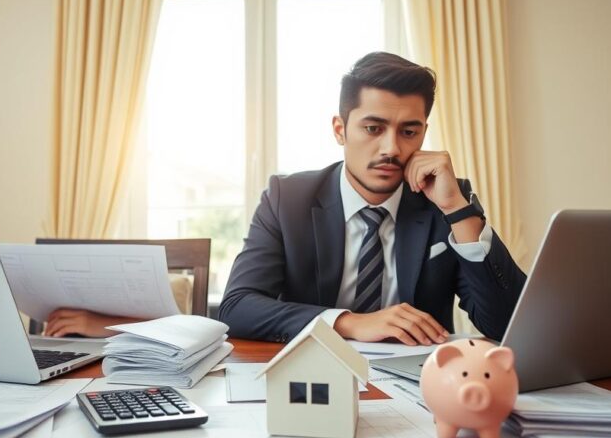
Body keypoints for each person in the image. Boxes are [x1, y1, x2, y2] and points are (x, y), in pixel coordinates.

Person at [218, 52, 526, 345]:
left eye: (408, 132)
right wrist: (350, 323)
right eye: (373, 128)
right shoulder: (288, 199)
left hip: (420, 386)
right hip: (313, 378)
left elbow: (509, 324)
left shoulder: (445, 200)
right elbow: (238, 306)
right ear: (340, 130)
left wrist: (456, 210)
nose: (391, 148)